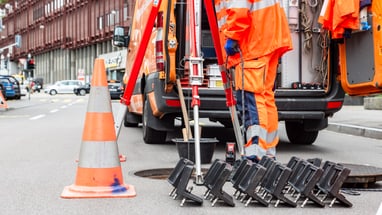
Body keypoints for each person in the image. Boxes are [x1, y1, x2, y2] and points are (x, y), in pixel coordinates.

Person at [216, 0, 293, 162]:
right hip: (267, 40)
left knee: (253, 96)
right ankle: (267, 152)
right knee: (265, 97)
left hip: (254, 42)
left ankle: (255, 153)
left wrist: (232, 36)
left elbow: (239, 9)